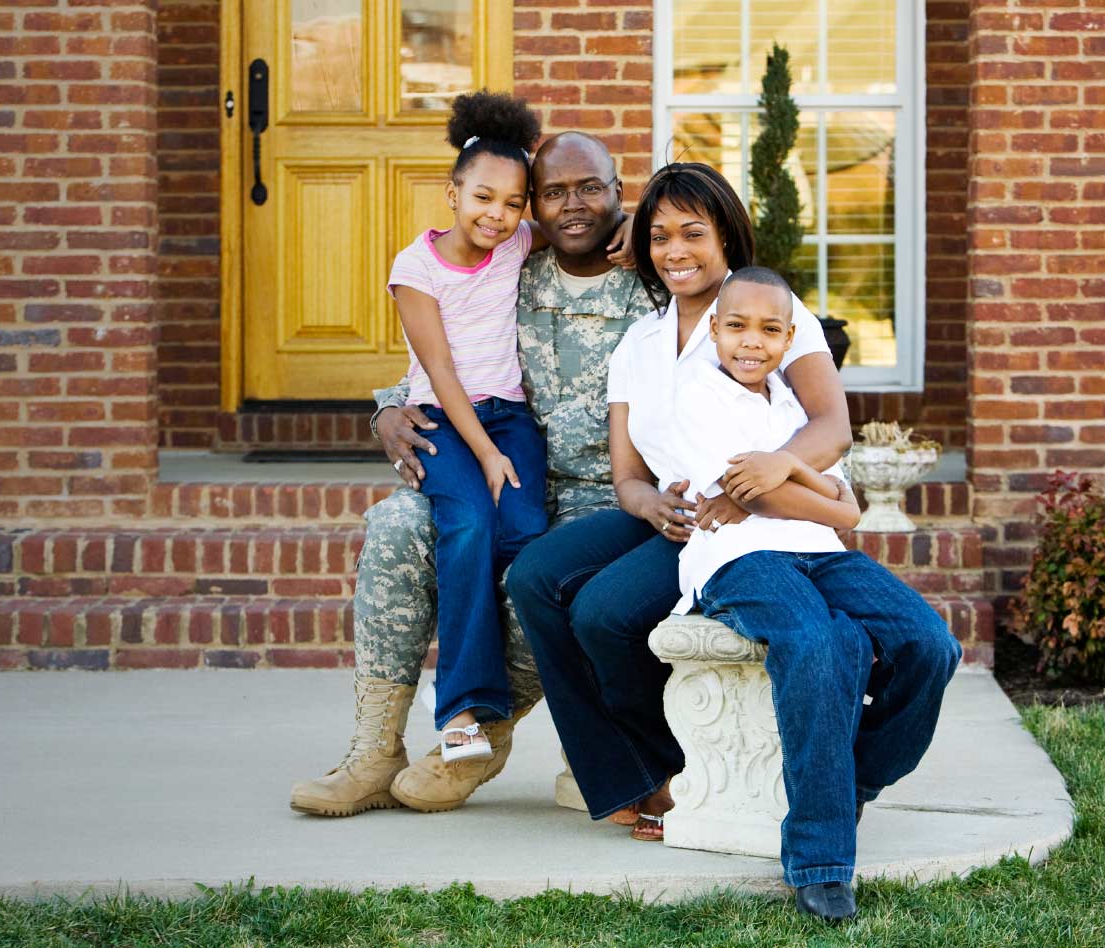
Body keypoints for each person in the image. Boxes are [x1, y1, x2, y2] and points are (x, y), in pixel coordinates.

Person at [289, 130, 654, 816]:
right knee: (397, 526)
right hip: (496, 459)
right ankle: (373, 750)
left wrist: (644, 222)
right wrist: (388, 412)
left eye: (593, 190)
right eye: (553, 194)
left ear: (617, 191)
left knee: (530, 569)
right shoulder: (515, 261)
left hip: (609, 493)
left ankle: (481, 731)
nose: (572, 207)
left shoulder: (653, 275)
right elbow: (443, 348)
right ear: (533, 209)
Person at [503, 163, 852, 840]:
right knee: (535, 576)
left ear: (725, 236)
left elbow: (831, 428)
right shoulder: (639, 340)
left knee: (603, 612)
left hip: (746, 524)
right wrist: (648, 505)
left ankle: (674, 774)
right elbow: (627, 473)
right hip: (672, 518)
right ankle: (623, 772)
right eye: (658, 236)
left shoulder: (770, 318)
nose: (674, 251)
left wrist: (766, 473)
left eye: (692, 233)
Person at [655, 266, 960, 921]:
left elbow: (846, 511)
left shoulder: (792, 406)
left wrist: (785, 463)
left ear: (789, 338)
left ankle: (853, 779)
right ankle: (821, 863)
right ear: (713, 328)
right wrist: (788, 484)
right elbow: (765, 497)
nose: (750, 342)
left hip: (822, 555)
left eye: (769, 331)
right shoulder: (695, 394)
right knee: (817, 643)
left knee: (930, 644)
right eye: (735, 326)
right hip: (739, 560)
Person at [385, 90, 550, 763]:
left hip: (510, 419)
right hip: (446, 425)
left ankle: (495, 687)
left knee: (525, 534)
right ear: (452, 192)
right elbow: (441, 371)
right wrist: (481, 452)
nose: (498, 215)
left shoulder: (517, 244)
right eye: (484, 197)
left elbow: (584, 227)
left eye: (513, 204)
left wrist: (628, 227)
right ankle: (458, 708)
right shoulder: (414, 268)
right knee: (469, 528)